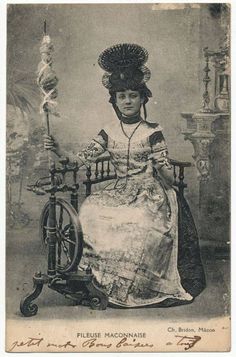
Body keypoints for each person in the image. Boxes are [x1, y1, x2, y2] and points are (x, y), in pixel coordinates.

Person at [44, 43, 206, 308]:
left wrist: (165, 172)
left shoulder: (152, 130)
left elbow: (166, 172)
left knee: (139, 220)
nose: (128, 101)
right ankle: (95, 281)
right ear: (115, 101)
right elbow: (81, 159)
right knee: (91, 210)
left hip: (150, 193)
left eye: (133, 95)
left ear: (142, 98)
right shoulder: (108, 131)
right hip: (119, 191)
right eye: (122, 96)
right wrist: (59, 148)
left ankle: (137, 285)